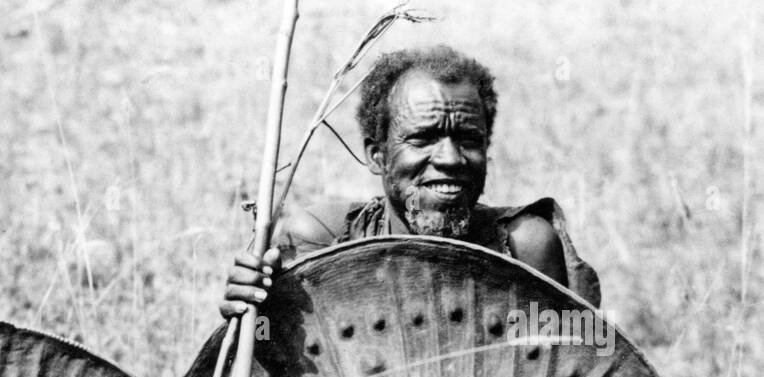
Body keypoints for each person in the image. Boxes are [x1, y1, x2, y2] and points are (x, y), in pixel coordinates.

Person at [220, 45, 601, 318]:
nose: (451, 159)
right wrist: (250, 313)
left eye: (469, 140)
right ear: (377, 156)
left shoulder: (524, 247)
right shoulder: (324, 239)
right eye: (422, 139)